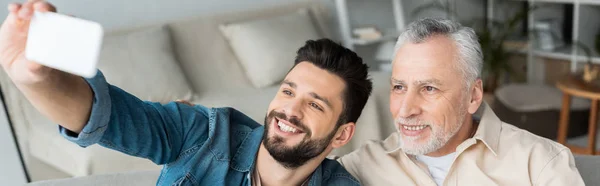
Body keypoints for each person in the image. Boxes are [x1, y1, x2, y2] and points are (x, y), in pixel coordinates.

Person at [0, 1, 372, 185]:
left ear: (342, 134)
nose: (289, 110)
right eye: (288, 90)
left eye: (314, 104)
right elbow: (106, 117)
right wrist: (37, 79)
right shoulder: (204, 134)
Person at [337, 18, 585, 186]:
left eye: (429, 88)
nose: (405, 110)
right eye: (399, 87)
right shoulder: (361, 165)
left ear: (473, 96)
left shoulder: (541, 165)